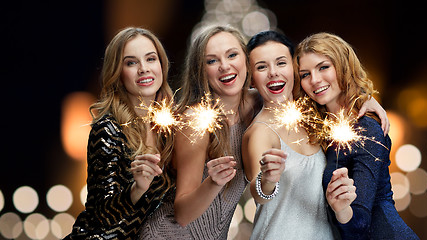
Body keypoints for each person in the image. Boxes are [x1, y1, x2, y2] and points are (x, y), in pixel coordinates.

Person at [139, 25, 260, 239]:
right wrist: (213, 183)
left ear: (246, 59)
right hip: (170, 235)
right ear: (201, 70)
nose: (225, 66)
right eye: (212, 61)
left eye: (232, 55)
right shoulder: (196, 120)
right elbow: (183, 214)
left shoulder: (259, 104)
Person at [294, 32, 419, 240]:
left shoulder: (366, 128)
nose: (314, 80)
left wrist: (341, 208)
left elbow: (359, 225)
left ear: (343, 66)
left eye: (323, 67)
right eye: (305, 74)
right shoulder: (322, 125)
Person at [242, 30, 358, 240]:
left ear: (295, 70)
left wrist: (368, 102)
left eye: (281, 63)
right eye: (261, 67)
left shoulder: (312, 116)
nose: (273, 73)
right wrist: (267, 179)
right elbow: (259, 194)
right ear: (251, 79)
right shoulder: (260, 132)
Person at [65, 27, 175, 239]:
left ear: (161, 65)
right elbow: (100, 214)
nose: (144, 69)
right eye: (131, 62)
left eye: (151, 59)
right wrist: (137, 189)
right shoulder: (107, 129)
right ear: (118, 73)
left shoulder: (170, 128)